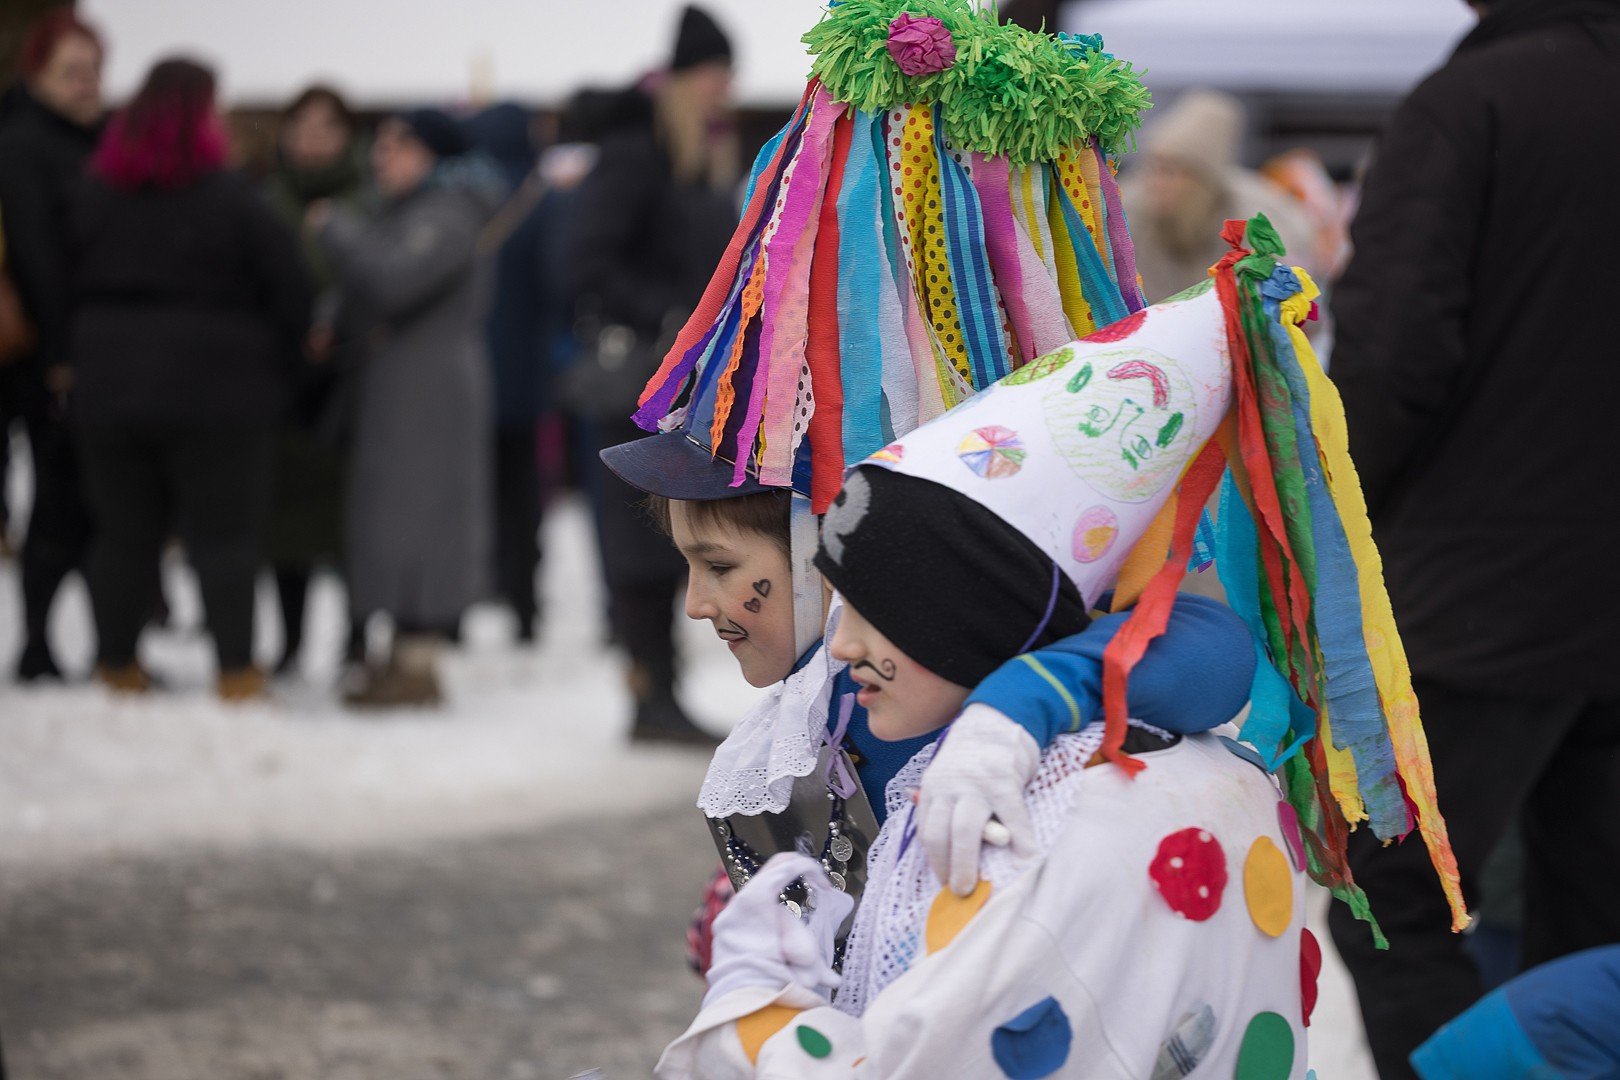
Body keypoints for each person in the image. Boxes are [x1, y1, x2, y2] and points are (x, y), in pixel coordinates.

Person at [657, 218, 1451, 1077]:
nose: (841, 646)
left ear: (963, 618)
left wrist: (750, 1010)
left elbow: (919, 1062)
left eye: (720, 566)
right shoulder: (814, 725)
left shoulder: (1063, 801)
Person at [1324, 2, 1620, 1076]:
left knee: (1387, 893)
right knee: (1592, 915)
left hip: (1487, 590)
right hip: (1569, 590)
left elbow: (1393, 352)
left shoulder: (1474, 103)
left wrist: (1329, 518)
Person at [69, 57, 312, 699]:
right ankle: (235, 673)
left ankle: (116, 666)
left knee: (122, 535)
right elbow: (291, 290)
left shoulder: (96, 195)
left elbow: (60, 281)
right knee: (225, 538)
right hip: (220, 392)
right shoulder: (233, 200)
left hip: (110, 387)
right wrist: (283, 367)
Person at [567, 4, 740, 743]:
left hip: (686, 378)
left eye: (727, 73)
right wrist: (668, 315)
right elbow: (583, 262)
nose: (723, 88)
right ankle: (649, 696)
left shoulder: (697, 156)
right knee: (638, 538)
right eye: (712, 73)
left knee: (675, 532)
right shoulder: (636, 153)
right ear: (680, 79)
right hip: (640, 381)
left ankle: (662, 693)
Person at [313, 108, 498, 708]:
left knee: (423, 522)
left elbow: (391, 280)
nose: (381, 155)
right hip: (401, 393)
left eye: (400, 143)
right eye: (381, 142)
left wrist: (337, 232)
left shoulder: (445, 215)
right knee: (394, 521)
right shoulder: (404, 212)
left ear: (433, 155)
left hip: (429, 397)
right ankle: (401, 659)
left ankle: (417, 666)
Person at [0, 8, 104, 680]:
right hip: (37, 354)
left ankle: (76, 640)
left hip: (70, 347)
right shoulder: (23, 143)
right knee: (55, 498)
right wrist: (62, 355)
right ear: (36, 75)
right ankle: (37, 643)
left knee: (75, 498)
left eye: (93, 70)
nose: (86, 83)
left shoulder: (91, 140)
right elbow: (39, 255)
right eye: (71, 71)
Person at [262, 84, 367, 676]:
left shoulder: (368, 199)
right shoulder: (267, 202)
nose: (313, 140)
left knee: (353, 518)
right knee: (287, 521)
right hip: (283, 384)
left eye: (326, 128)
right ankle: (290, 640)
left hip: (352, 380)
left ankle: (357, 638)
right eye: (302, 127)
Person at [465, 101, 554, 645]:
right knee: (523, 497)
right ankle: (525, 607)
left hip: (465, 375)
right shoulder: (538, 199)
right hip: (523, 375)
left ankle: (461, 608)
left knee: (468, 494)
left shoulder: (462, 195)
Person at [1119, 89, 1316, 304]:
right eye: (1151, 168)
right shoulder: (1124, 213)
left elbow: (1287, 292)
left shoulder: (1257, 219)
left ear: (1202, 180)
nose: (1154, 182)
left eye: (1169, 172)